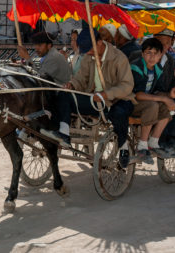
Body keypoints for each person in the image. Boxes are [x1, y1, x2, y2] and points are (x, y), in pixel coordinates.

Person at [40, 28, 135, 169]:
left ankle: (124, 148)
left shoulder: (118, 58)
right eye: (86, 51)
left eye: (90, 49)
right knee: (63, 95)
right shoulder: (88, 57)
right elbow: (80, 79)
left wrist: (106, 94)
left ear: (100, 42)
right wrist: (71, 85)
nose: (89, 53)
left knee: (119, 114)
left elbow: (127, 85)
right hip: (94, 100)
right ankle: (64, 133)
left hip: (116, 99)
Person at [130, 38, 175, 163]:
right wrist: (163, 98)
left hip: (144, 102)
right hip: (130, 103)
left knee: (168, 105)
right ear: (142, 54)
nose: (152, 57)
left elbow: (158, 90)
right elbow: (138, 95)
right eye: (148, 53)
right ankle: (142, 146)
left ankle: (154, 142)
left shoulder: (157, 69)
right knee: (153, 105)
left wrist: (170, 95)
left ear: (160, 55)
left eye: (155, 53)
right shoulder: (136, 67)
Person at [153, 29, 175, 153]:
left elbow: (172, 80)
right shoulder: (147, 55)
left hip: (163, 93)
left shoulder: (170, 59)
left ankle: (172, 139)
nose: (164, 46)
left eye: (167, 43)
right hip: (149, 94)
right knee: (168, 103)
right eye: (160, 42)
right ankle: (162, 140)